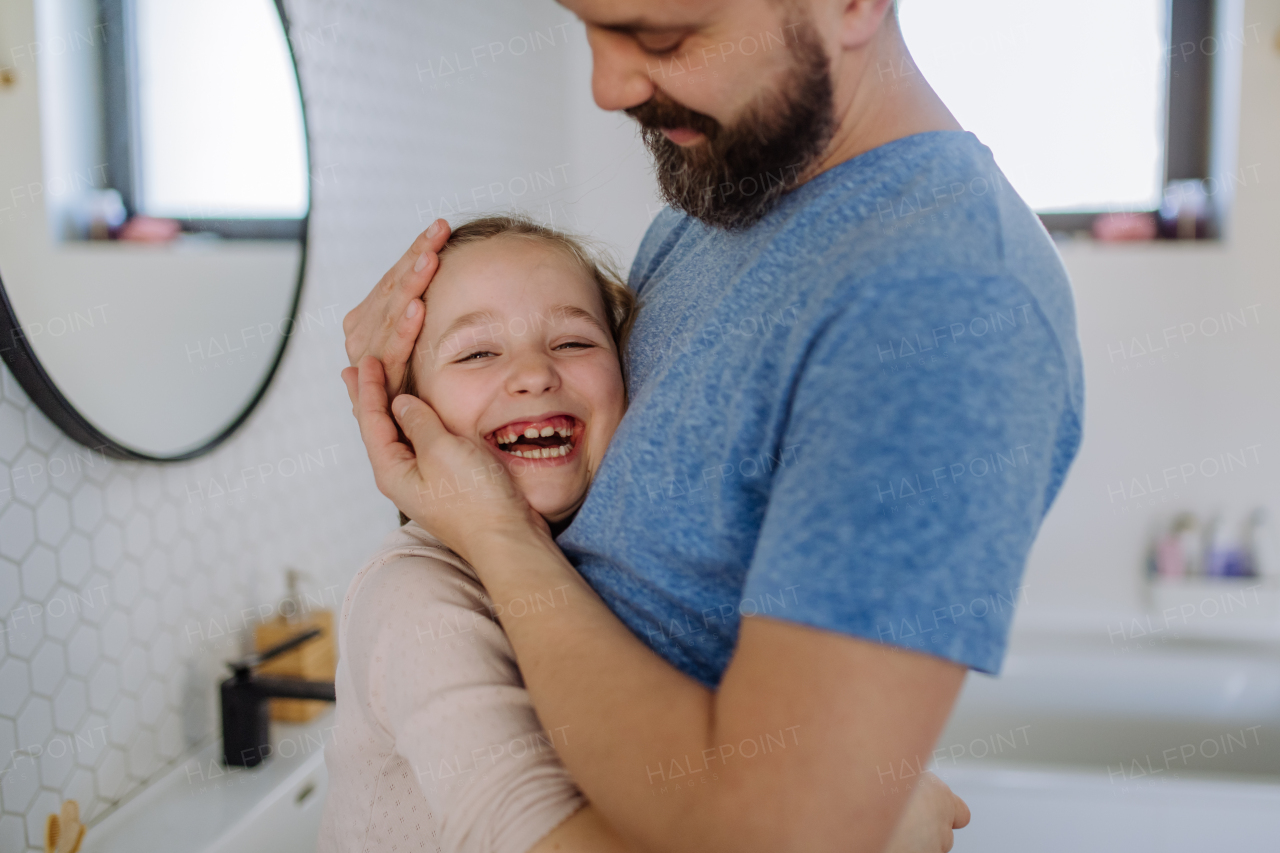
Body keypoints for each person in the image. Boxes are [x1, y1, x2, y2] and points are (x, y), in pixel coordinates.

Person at [342, 1, 1083, 851]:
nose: (606, 85)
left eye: (659, 34)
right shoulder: (715, 204)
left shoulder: (946, 306)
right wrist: (407, 401)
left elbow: (778, 832)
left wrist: (497, 537)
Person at [321, 215, 966, 852]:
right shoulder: (412, 599)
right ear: (407, 420)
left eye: (574, 342)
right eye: (477, 352)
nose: (535, 373)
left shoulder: (614, 563)